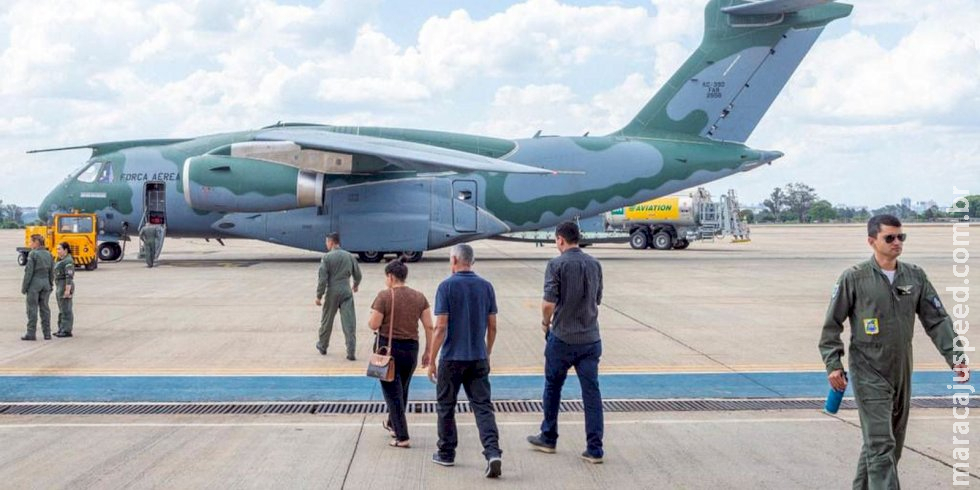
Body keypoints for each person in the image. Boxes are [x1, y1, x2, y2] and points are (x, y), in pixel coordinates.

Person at [819, 214, 969, 489]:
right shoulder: (854, 278)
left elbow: (936, 320)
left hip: (901, 371)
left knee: (890, 446)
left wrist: (956, 357)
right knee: (881, 444)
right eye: (890, 238)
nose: (897, 242)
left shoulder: (914, 276)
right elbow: (831, 326)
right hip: (868, 371)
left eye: (901, 237)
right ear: (872, 241)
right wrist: (833, 364)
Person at [527, 221, 605, 464]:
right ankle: (595, 449)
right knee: (591, 393)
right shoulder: (594, 264)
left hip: (562, 337)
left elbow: (548, 302)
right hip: (590, 338)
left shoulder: (556, 265)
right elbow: (598, 298)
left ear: (560, 239)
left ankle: (548, 437)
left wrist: (544, 322)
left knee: (553, 387)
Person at [427, 243, 502, 478]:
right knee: (483, 407)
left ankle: (447, 453)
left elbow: (440, 327)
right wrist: (487, 351)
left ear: (454, 261)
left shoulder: (446, 287)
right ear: (472, 261)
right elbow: (492, 326)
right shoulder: (486, 287)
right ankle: (492, 452)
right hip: (478, 356)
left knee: (446, 406)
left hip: (452, 358)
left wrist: (431, 357)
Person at [367, 258, 434, 448]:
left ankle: (402, 436)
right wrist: (428, 350)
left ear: (390, 277)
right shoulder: (419, 297)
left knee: (392, 394)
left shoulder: (384, 296)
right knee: (402, 389)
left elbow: (374, 324)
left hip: (390, 352)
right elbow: (429, 326)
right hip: (412, 349)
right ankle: (392, 423)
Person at [314, 233, 362, 360]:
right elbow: (358, 274)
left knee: (327, 320)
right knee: (349, 323)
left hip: (332, 292)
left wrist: (319, 296)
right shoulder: (349, 256)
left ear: (331, 242)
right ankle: (351, 351)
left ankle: (323, 345)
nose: (326, 244)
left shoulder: (327, 258)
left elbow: (322, 279)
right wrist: (355, 285)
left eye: (326, 242)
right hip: (346, 291)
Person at [21, 234, 54, 341]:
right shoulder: (48, 254)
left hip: (34, 284)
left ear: (36, 242)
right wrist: (50, 284)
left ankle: (31, 333)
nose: (29, 244)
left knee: (32, 309)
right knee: (45, 309)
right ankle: (47, 333)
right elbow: (51, 272)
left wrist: (24, 287)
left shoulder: (33, 254)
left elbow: (28, 273)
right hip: (46, 284)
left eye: (31, 242)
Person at [53, 242, 75, 338]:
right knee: (62, 308)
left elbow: (69, 276)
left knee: (66, 308)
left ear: (65, 250)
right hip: (59, 285)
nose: (57, 251)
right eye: (57, 249)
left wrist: (67, 290)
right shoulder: (61, 260)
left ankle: (66, 330)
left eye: (59, 249)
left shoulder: (68, 261)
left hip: (65, 284)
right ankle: (61, 328)